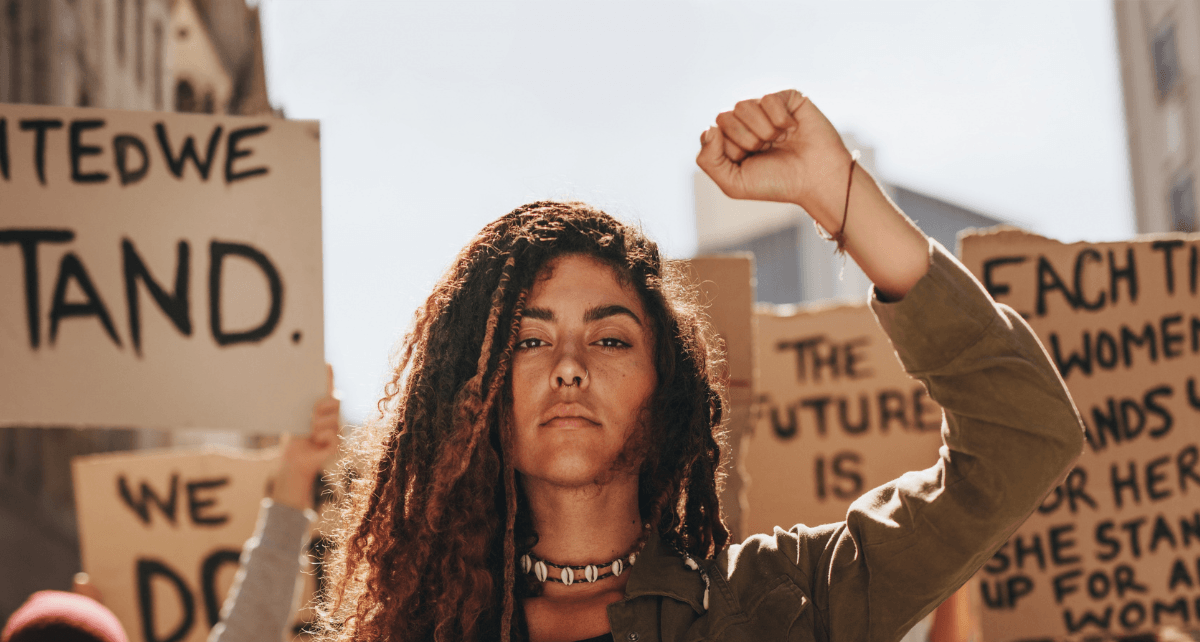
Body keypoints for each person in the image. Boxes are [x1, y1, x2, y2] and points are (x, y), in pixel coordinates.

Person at [226, 90, 1086, 642]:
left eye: (609, 339)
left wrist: (836, 192)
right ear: (478, 396)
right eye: (529, 340)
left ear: (664, 393)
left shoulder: (782, 604)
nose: (567, 366)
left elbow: (1024, 436)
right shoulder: (412, 631)